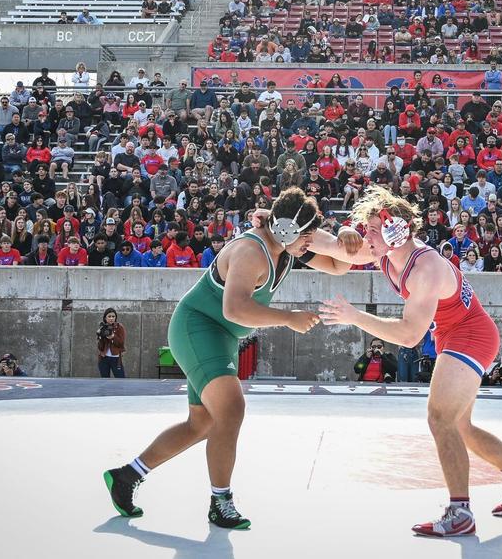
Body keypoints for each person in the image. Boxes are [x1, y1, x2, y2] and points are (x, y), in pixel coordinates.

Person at [314, 185, 502, 537]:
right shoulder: (385, 250)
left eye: (372, 230)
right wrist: (281, 231)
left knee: (439, 418)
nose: (366, 237)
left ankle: (460, 512)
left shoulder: (426, 268)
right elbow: (333, 248)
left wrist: (354, 316)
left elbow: (408, 336)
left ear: (395, 230)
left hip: (471, 334)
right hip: (454, 335)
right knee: (459, 426)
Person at [103, 188, 336, 530]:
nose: (311, 243)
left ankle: (126, 476)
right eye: (307, 236)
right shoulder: (250, 252)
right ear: (286, 230)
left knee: (202, 423)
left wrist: (346, 236)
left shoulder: (286, 245)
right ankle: (221, 501)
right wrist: (288, 318)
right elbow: (234, 308)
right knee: (231, 409)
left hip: (221, 335)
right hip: (198, 328)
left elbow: (338, 264)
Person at [97, 307, 126, 378]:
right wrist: (100, 336)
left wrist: (113, 337)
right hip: (104, 358)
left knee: (121, 380)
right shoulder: (102, 328)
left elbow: (121, 343)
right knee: (104, 381)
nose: (111, 318)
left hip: (116, 358)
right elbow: (100, 347)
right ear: (105, 318)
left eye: (113, 316)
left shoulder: (119, 327)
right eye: (109, 316)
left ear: (115, 318)